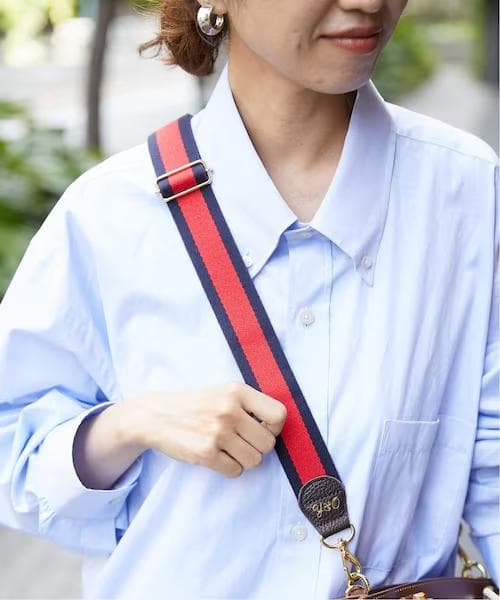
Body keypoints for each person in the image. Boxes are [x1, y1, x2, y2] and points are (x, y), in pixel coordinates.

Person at [0, 0, 498, 598]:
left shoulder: (466, 191)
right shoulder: (108, 216)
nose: (368, 2)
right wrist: (125, 426)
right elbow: (12, 455)